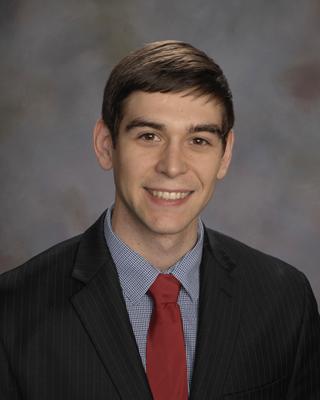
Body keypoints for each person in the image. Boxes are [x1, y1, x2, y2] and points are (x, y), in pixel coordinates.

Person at [0, 40, 319, 400]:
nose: (172, 166)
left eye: (198, 140)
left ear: (225, 154)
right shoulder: (13, 312)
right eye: (149, 136)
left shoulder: (284, 301)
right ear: (106, 145)